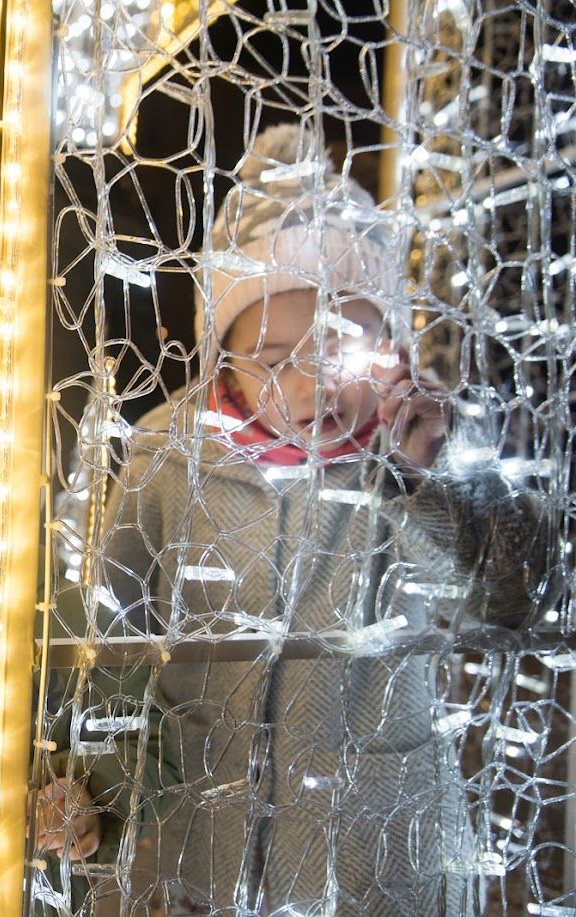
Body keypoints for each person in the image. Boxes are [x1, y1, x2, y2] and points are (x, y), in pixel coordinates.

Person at [98, 123, 557, 915]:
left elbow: (515, 601)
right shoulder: (166, 454)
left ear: (388, 340)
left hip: (377, 855)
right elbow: (111, 638)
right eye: (273, 359)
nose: (309, 384)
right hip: (200, 856)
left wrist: (426, 480)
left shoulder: (422, 444)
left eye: (340, 346)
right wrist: (101, 789)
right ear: (223, 355)